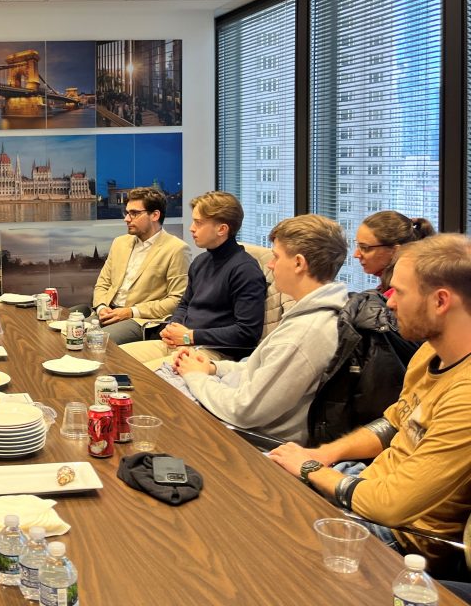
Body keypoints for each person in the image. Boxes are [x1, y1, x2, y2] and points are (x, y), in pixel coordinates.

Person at [269, 234, 471, 576]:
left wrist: (310, 469)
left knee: (262, 531)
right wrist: (324, 454)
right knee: (256, 479)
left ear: (440, 301)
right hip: (366, 485)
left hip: (403, 535)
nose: (389, 303)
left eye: (399, 292)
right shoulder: (430, 351)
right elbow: (394, 423)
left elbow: (391, 505)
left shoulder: (465, 397)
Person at [171, 214, 349, 444]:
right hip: (240, 416)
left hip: (251, 441)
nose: (270, 265)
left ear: (298, 263)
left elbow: (243, 410)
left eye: (276, 256)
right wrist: (214, 368)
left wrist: (195, 375)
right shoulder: (313, 313)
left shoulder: (304, 334)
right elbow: (260, 370)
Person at [122, 190, 266, 365]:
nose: (192, 228)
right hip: (182, 342)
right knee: (111, 358)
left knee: (141, 373)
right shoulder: (201, 261)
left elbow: (247, 333)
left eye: (198, 223)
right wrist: (172, 328)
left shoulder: (245, 270)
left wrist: (189, 336)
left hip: (214, 352)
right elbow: (184, 305)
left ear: (222, 229)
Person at [76, 187, 189, 344]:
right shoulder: (120, 242)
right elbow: (103, 283)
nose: (127, 219)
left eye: (134, 213)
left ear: (155, 215)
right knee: (69, 333)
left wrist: (130, 312)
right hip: (107, 312)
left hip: (140, 320)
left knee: (93, 342)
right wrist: (101, 307)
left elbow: (176, 300)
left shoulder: (176, 249)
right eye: (127, 212)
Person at [354, 210, 436, 294]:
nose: (356, 255)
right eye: (358, 245)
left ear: (396, 251)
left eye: (365, 248)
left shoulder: (400, 296)